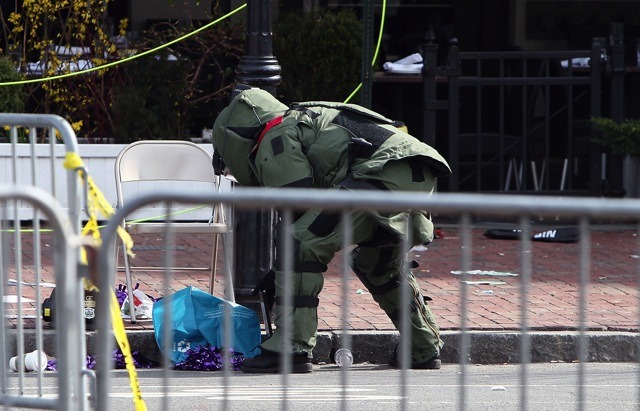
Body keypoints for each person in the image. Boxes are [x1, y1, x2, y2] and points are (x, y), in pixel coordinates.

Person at [212, 87, 451, 373]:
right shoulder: (306, 118)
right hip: (412, 177)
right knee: (377, 264)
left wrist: (283, 268)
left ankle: (292, 346)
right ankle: (422, 346)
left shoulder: (274, 134)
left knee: (299, 244)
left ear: (234, 139)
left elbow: (298, 202)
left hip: (376, 177)